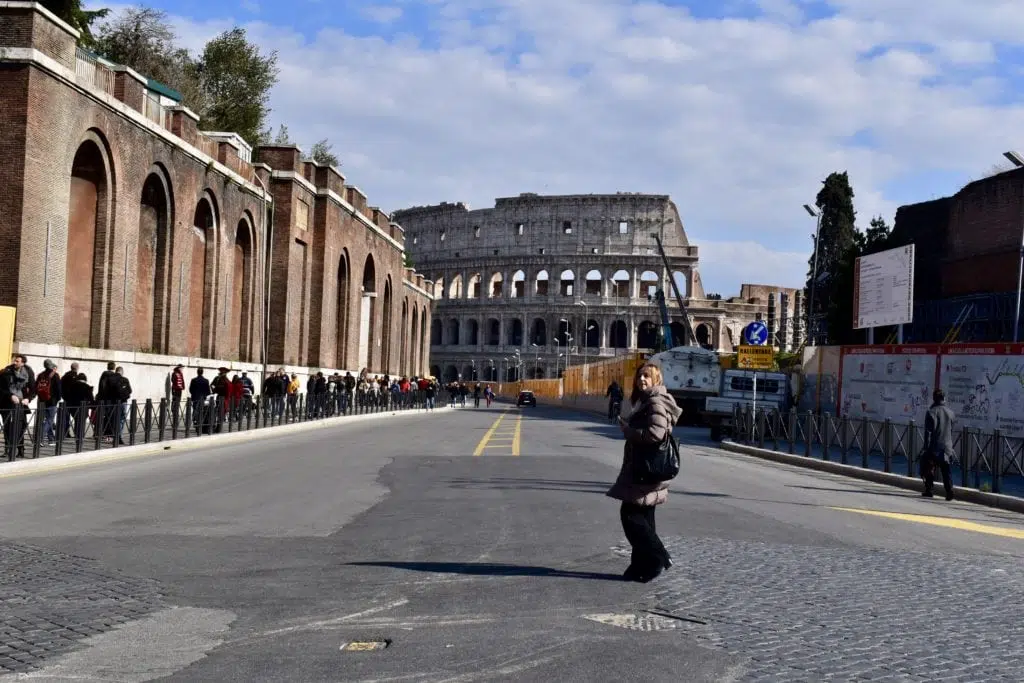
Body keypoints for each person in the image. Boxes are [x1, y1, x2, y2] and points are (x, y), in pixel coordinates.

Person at [607, 362, 681, 583]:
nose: (642, 380)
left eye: (647, 377)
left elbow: (656, 434)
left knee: (630, 516)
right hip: (645, 468)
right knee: (645, 517)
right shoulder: (647, 400)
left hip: (646, 468)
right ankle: (641, 566)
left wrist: (629, 431)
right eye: (640, 376)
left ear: (656, 379)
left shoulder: (655, 402)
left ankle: (658, 557)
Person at [921, 388, 955, 501]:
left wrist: (926, 448)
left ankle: (929, 489)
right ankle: (949, 490)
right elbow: (951, 431)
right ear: (944, 398)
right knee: (946, 469)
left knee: (928, 465)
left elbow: (928, 432)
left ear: (934, 399)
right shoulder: (951, 413)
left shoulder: (931, 412)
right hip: (947, 447)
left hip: (935, 447)